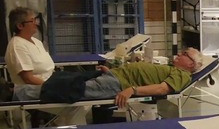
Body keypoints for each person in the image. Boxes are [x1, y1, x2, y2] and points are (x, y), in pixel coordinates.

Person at [7, 46, 204, 108]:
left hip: (118, 84)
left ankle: (13, 94)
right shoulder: (170, 66)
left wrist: (132, 90)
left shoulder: (182, 75)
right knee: (64, 79)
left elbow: (162, 89)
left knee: (66, 90)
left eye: (185, 54)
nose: (180, 54)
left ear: (191, 64)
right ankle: (13, 91)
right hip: (113, 76)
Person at [3, 7, 87, 125]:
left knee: (83, 93)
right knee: (75, 105)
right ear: (20, 26)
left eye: (35, 19)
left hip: (48, 85)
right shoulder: (17, 46)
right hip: (32, 91)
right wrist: (55, 86)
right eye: (32, 21)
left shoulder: (36, 42)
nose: (36, 23)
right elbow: (28, 78)